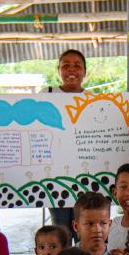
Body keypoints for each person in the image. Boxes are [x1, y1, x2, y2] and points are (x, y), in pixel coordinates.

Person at [48, 49, 89, 232]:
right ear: (59, 71)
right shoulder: (45, 94)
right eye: (66, 65)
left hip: (86, 176)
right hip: (55, 176)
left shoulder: (94, 100)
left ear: (84, 72)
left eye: (77, 66)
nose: (71, 70)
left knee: (86, 229)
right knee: (60, 230)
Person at [73, 191, 115, 255]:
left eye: (103, 223)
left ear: (110, 225)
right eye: (89, 224)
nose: (97, 230)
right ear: (76, 226)